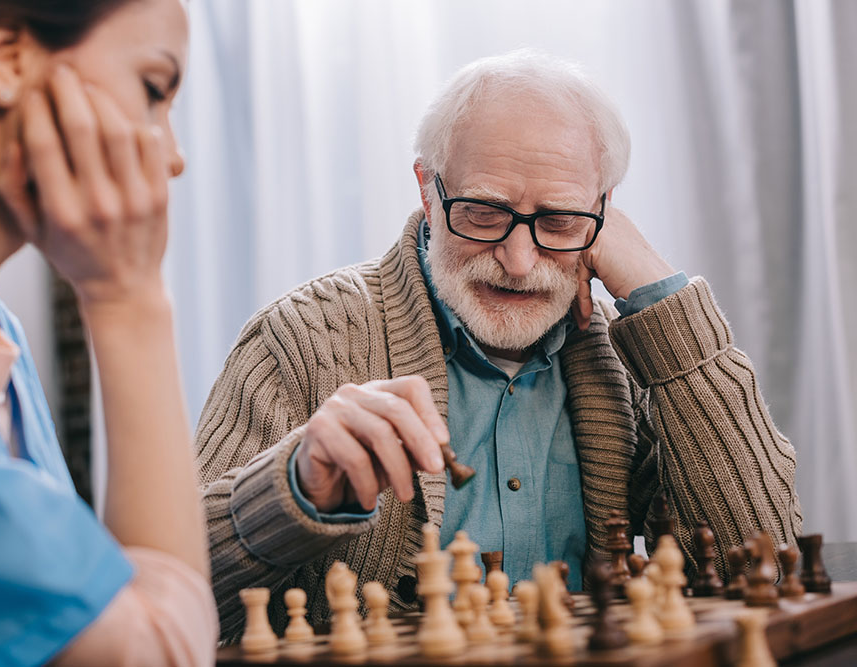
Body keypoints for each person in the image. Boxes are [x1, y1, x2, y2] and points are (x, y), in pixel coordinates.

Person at [196, 49, 803, 640]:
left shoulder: (627, 355)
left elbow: (764, 567)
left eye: (559, 220)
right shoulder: (303, 337)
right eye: (485, 213)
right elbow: (174, 588)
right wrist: (293, 487)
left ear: (602, 210)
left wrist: (660, 301)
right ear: (428, 192)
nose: (518, 261)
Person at [0, 1, 217, 665]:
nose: (171, 157)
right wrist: (130, 299)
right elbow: (154, 648)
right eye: (152, 89)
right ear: (8, 59)